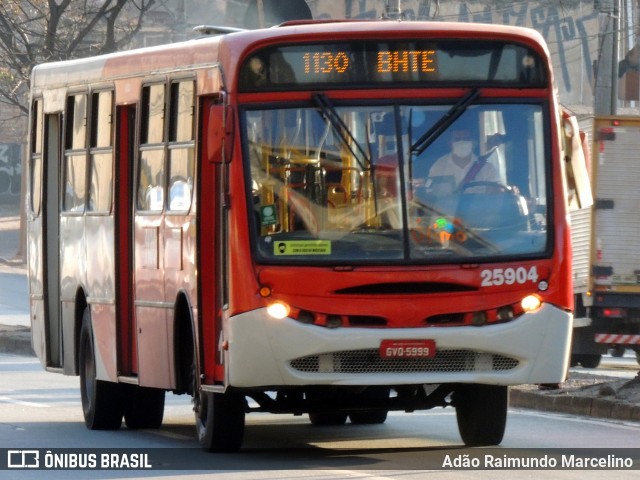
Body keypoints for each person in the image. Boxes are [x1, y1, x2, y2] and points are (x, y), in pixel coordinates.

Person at [424, 128, 500, 195]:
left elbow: (496, 195)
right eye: (457, 139)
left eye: (466, 139)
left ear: (472, 142)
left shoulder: (487, 168)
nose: (462, 142)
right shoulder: (439, 166)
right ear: (450, 143)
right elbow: (428, 190)